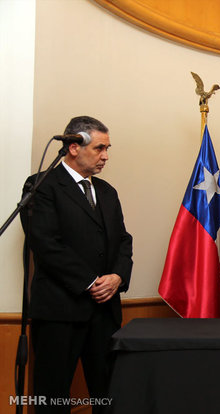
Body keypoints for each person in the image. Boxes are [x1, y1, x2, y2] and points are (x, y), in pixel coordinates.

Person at [22, 116, 132, 413]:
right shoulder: (42, 186)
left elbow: (123, 240)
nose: (105, 156)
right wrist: (90, 281)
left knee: (107, 394)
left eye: (107, 148)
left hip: (104, 312)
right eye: (99, 148)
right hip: (60, 310)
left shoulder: (107, 191)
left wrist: (117, 277)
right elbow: (45, 243)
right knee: (52, 394)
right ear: (73, 147)